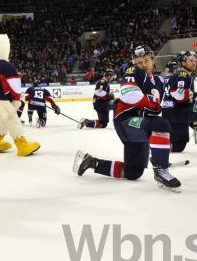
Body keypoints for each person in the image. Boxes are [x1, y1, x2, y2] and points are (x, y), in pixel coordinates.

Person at [72, 45, 182, 192]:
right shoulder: (133, 71)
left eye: (146, 60)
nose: (143, 64)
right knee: (160, 124)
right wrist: (152, 106)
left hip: (141, 125)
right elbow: (130, 94)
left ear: (153, 59)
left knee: (133, 173)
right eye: (139, 62)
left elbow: (157, 107)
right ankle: (161, 170)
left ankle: (92, 162)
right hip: (126, 121)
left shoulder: (160, 81)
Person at [0, 34, 40, 156]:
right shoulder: (4, 64)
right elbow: (14, 84)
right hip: (1, 100)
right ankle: (22, 145)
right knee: (12, 120)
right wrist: (17, 99)